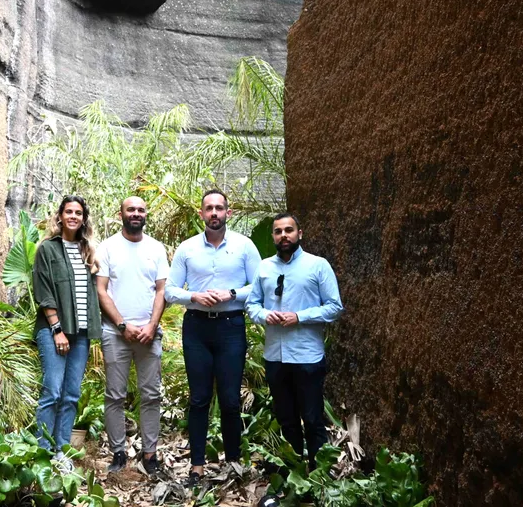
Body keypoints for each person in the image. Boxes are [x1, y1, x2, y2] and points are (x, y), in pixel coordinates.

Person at [166, 190, 262, 487]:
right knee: (198, 399)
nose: (214, 213)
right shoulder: (187, 248)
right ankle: (196, 467)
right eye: (209, 208)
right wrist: (193, 295)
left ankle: (232, 463)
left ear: (228, 213)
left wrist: (232, 293)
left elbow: (260, 285)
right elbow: (170, 291)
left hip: (231, 326)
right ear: (202, 214)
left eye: (219, 208)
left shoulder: (245, 247)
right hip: (196, 327)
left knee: (231, 400)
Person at [245, 213, 343, 469]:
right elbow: (252, 305)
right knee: (286, 418)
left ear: (300, 233)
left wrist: (299, 316)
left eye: (289, 230)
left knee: (312, 418)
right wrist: (267, 315)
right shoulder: (264, 267)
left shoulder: (317, 265)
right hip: (275, 357)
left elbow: (334, 307)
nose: (283, 235)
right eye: (278, 231)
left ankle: (319, 475)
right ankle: (292, 475)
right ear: (274, 236)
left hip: (307, 356)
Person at [95, 196, 170, 475]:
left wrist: (151, 326)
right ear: (121, 213)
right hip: (116, 334)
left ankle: (150, 454)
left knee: (151, 395)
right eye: (131, 209)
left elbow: (162, 290)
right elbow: (101, 289)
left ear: (145, 214)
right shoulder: (108, 247)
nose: (136, 214)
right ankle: (118, 452)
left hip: (150, 335)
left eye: (140, 209)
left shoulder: (156, 248)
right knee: (115, 395)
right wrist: (122, 325)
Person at [32, 195, 102, 470]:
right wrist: (57, 330)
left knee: (71, 394)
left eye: (78, 212)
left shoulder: (87, 251)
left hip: (81, 333)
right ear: (59, 216)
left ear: (84, 219)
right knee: (52, 391)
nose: (73, 216)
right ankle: (42, 451)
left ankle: (61, 451)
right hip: (54, 332)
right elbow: (44, 291)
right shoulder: (47, 249)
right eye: (68, 211)